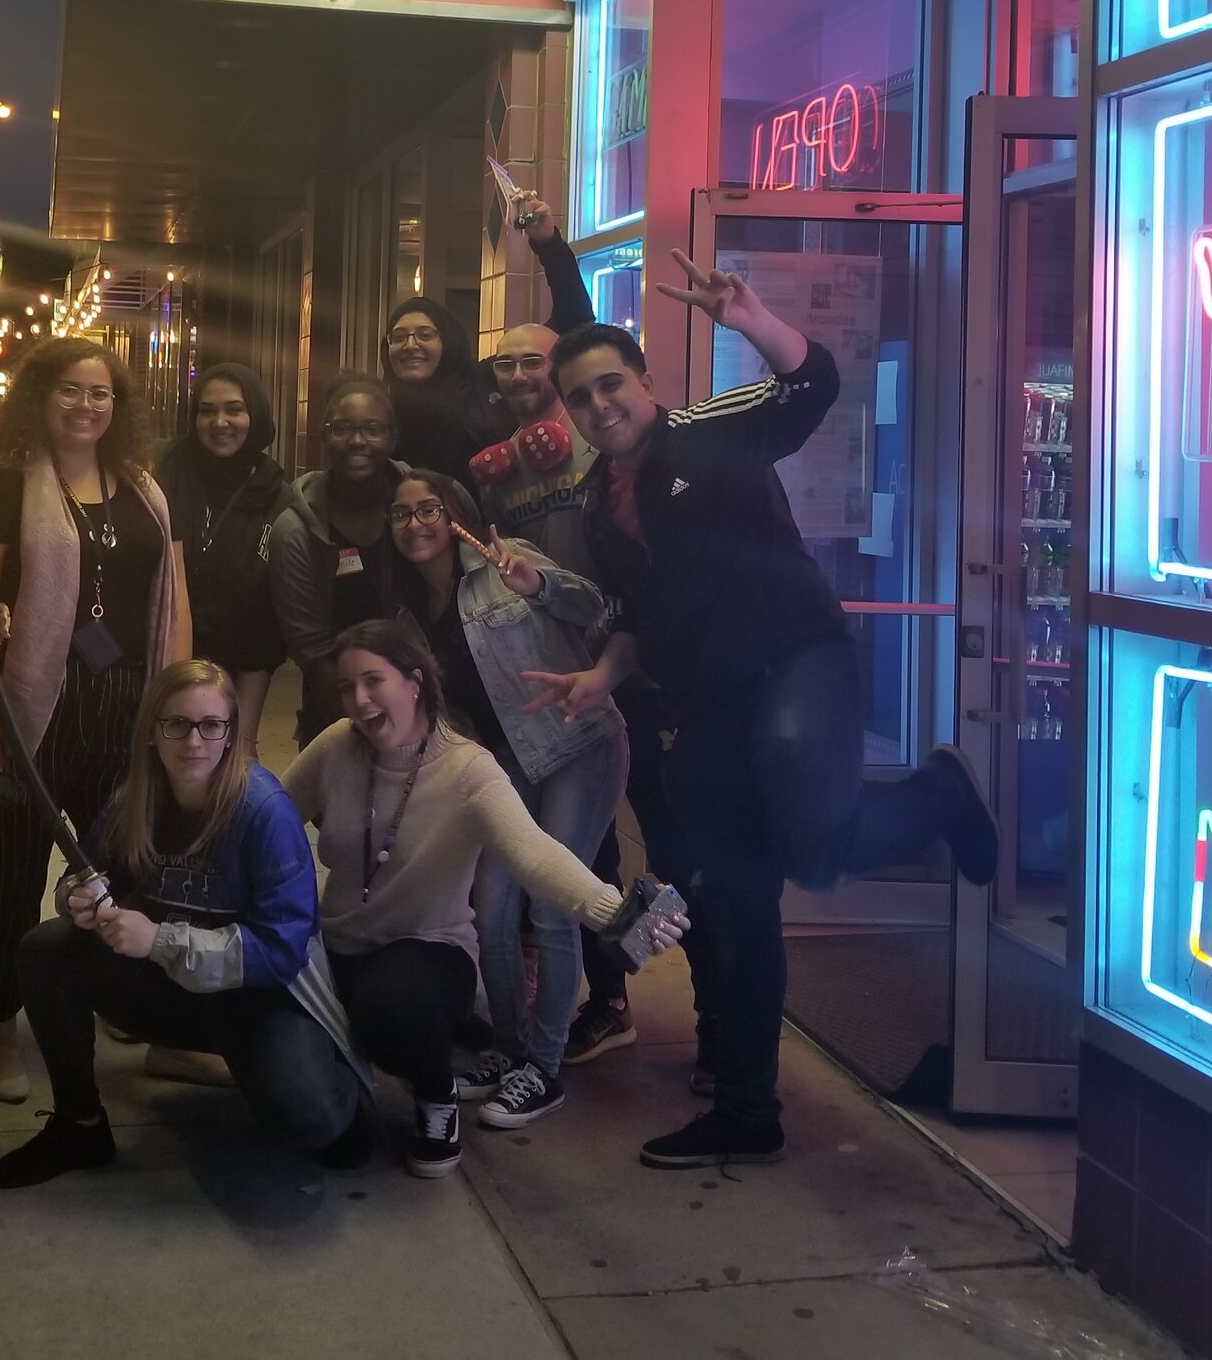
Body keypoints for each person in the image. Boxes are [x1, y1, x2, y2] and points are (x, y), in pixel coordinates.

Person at [529, 253, 999, 1169]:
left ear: (646, 382)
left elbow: (812, 383)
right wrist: (600, 677)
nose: (598, 408)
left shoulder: (709, 430)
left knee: (813, 853)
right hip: (704, 707)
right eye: (579, 398)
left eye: (610, 385)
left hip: (796, 668)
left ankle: (936, 795)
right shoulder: (595, 508)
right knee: (734, 905)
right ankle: (748, 1109)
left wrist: (754, 320)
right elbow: (636, 615)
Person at [282, 621, 685, 1178]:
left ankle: (436, 1099)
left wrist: (613, 910)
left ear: (414, 683)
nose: (358, 699)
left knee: (390, 1011)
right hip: (338, 947)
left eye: (373, 681)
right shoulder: (336, 746)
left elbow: (535, 855)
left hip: (427, 949)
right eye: (347, 686)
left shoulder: (468, 769)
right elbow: (271, 816)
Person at [0, 658, 378, 1188]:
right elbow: (92, 873)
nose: (193, 741)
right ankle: (80, 1125)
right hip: (172, 987)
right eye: (177, 723)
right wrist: (76, 899)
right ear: (152, 730)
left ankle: (324, 1087)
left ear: (231, 733)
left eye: (211, 725)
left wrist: (161, 940)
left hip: (258, 999)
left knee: (320, 1130)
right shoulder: (136, 799)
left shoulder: (264, 810)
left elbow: (282, 950)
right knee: (46, 949)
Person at [0, 338, 189, 1107]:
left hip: (125, 704)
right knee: (4, 874)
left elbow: (171, 602)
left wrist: (177, 712)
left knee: (123, 871)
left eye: (101, 393)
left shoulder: (144, 488)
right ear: (39, 397)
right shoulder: (0, 484)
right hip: (33, 707)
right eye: (70, 390)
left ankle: (128, 1011)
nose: (86, 405)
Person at [473, 295, 695, 1073]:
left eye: (536, 359)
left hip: (635, 667)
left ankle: (710, 1018)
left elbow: (586, 325)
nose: (522, 373)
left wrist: (550, 243)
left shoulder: (603, 448)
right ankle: (612, 999)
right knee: (587, 854)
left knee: (674, 845)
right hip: (562, 677)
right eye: (507, 362)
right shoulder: (501, 466)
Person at [383, 478, 626, 1129]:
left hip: (580, 742)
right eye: (401, 513)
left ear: (454, 514)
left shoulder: (503, 559)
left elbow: (597, 606)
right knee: (490, 905)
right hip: (510, 761)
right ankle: (510, 1048)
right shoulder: (407, 611)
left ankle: (544, 1068)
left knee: (551, 906)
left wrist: (539, 585)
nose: (415, 522)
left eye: (428, 508)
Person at [267, 376, 477, 742]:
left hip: (452, 712)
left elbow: (477, 588)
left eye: (373, 429)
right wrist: (377, 730)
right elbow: (314, 653)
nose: (357, 441)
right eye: (343, 429)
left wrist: (434, 731)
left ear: (393, 438)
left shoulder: (435, 502)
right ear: (325, 437)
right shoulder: (295, 530)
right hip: (341, 711)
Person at [381, 192, 593, 486]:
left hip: (501, 524)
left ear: (448, 341)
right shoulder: (380, 407)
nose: (411, 345)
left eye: (425, 334)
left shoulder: (488, 380)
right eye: (399, 337)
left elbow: (574, 321)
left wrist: (547, 244)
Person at [154, 363, 291, 736]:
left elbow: (263, 626)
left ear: (256, 415)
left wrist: (244, 738)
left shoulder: (275, 496)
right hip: (149, 667)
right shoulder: (161, 475)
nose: (219, 422)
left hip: (230, 679)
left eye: (234, 409)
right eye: (207, 410)